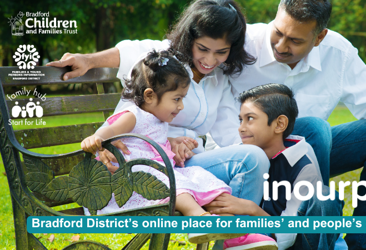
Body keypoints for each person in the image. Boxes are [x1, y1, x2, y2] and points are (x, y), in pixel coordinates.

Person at [49, 0, 366, 248]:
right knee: (308, 133)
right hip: (199, 158)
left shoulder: (333, 52)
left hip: (291, 155)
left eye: (295, 40)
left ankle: (348, 240)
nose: (280, 44)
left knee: (363, 133)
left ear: (319, 37)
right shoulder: (219, 47)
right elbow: (143, 51)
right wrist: (89, 58)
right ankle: (308, 234)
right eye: (278, 32)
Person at [48, 0, 271, 212]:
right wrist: (88, 60)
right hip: (152, 162)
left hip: (189, 162)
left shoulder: (219, 78)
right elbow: (128, 52)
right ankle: (238, 235)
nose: (210, 60)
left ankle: (237, 234)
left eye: (221, 52)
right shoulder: (163, 64)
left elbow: (228, 133)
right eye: (202, 48)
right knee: (252, 159)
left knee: (254, 156)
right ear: (189, 38)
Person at [80, 50, 277, 248]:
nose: (181, 106)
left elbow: (148, 140)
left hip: (157, 174)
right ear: (149, 96)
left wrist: (172, 140)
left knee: (203, 180)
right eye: (177, 99)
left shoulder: (157, 119)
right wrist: (96, 139)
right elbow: (109, 130)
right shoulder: (132, 115)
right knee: (176, 184)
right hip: (133, 183)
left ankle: (233, 235)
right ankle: (197, 218)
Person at [206, 83, 346, 250]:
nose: (241, 128)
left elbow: (286, 236)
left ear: (279, 124)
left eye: (250, 119)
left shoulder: (301, 161)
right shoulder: (239, 157)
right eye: (240, 120)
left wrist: (251, 209)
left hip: (298, 243)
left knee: (324, 196)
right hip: (253, 240)